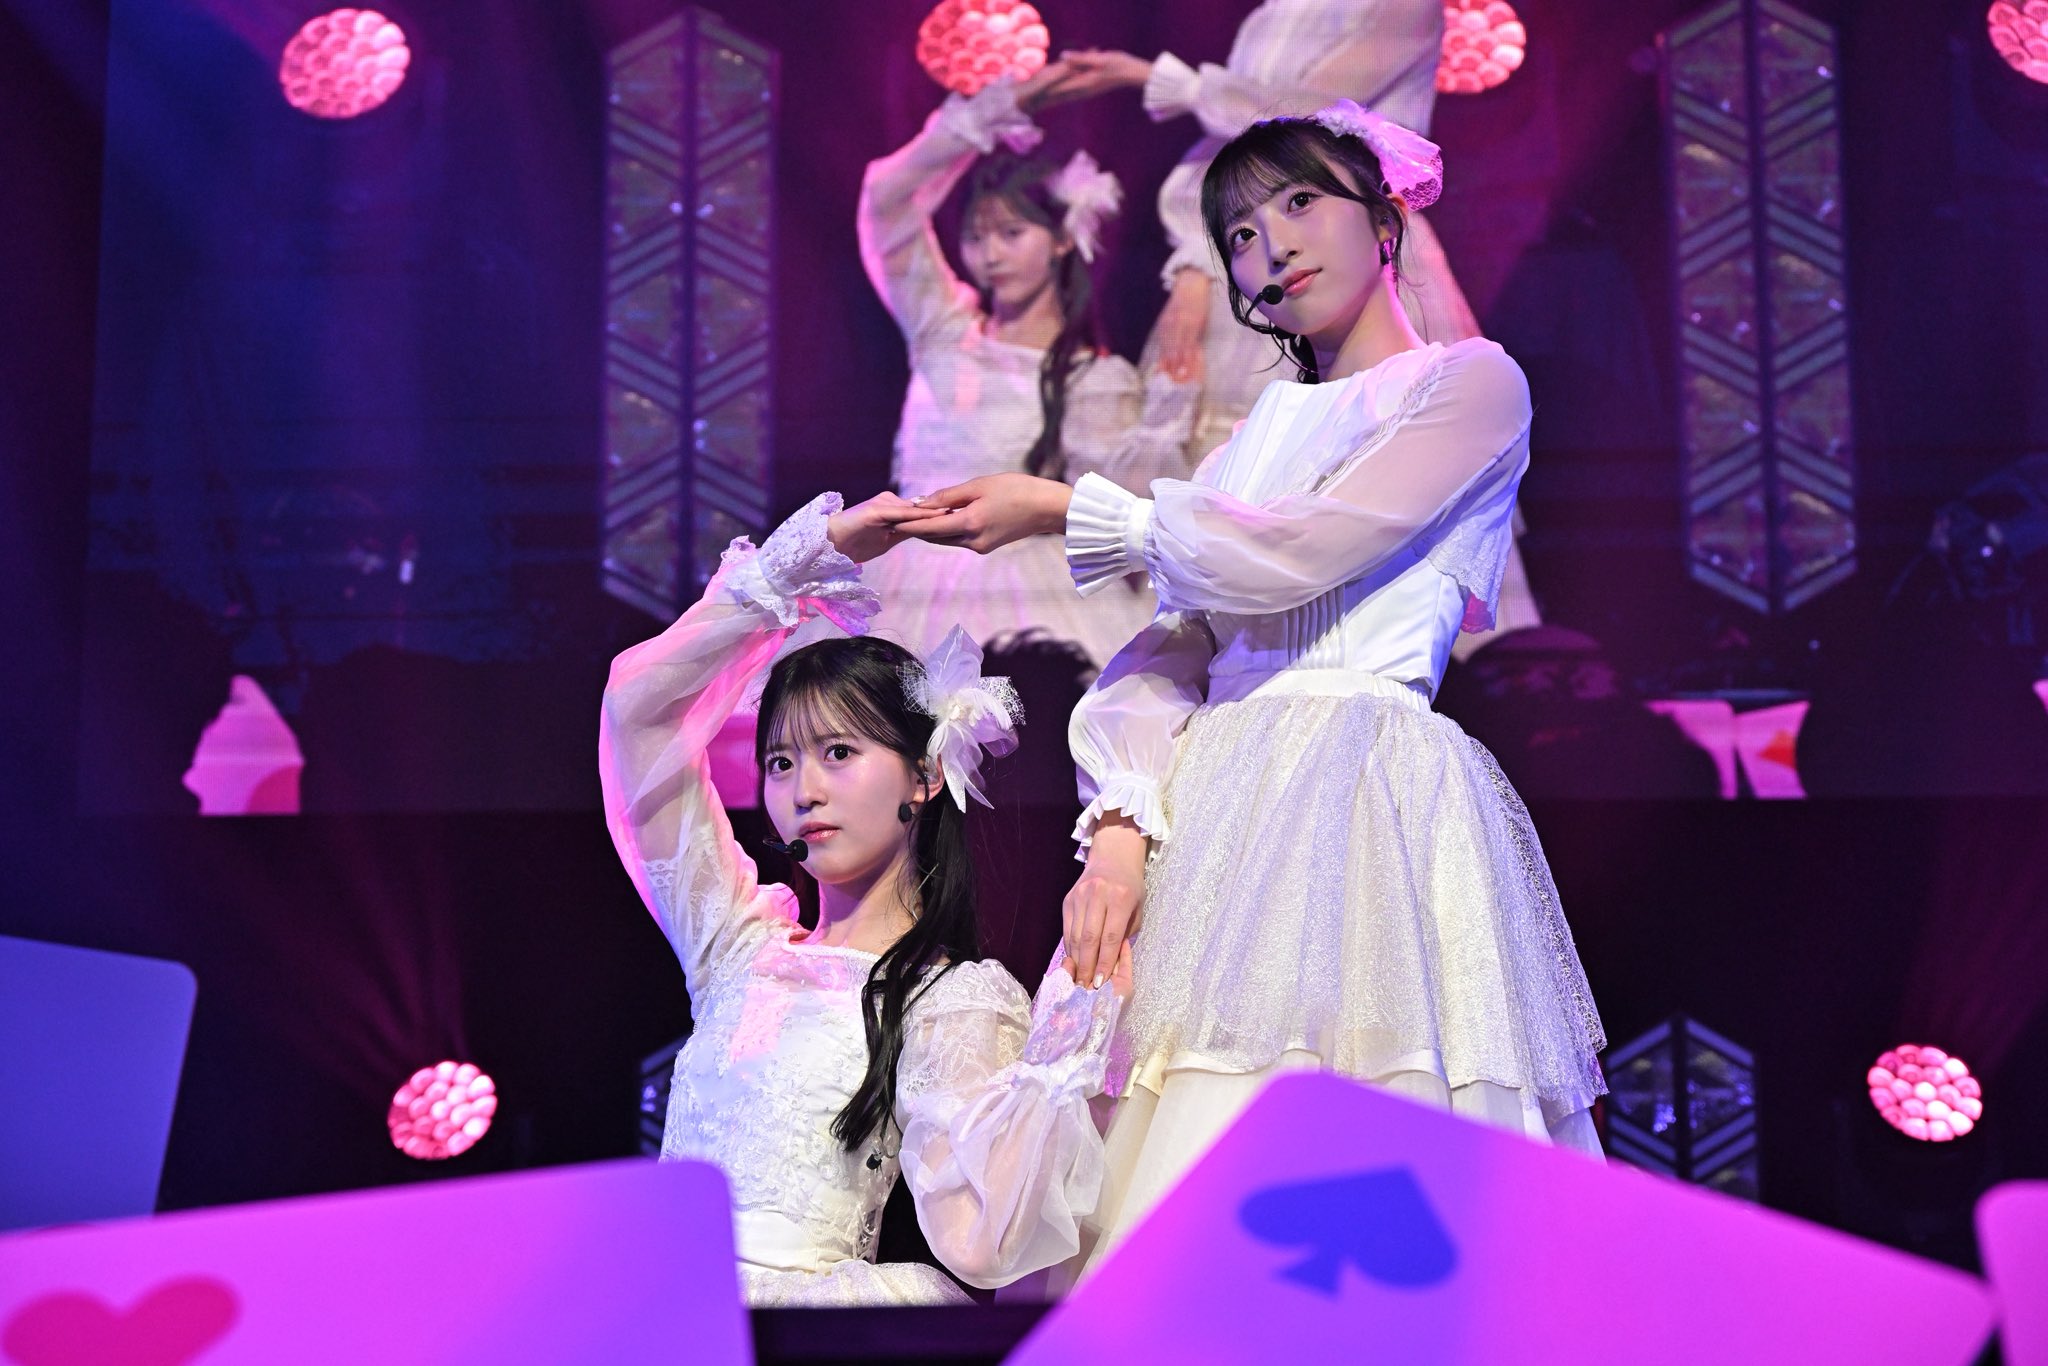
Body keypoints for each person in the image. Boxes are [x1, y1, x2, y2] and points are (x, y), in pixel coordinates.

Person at [898, 103, 1607, 1278]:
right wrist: (1117, 836)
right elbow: (1165, 655)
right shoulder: (1247, 443)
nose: (1267, 244)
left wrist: (1067, 507)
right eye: (1235, 232)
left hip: (1370, 793)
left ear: (1383, 221)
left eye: (1298, 203)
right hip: (1216, 812)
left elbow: (1293, 554)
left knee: (1377, 1124)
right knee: (1182, 1169)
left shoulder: (1469, 384)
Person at [598, 490, 1128, 1305]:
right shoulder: (735, 945)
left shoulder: (951, 998)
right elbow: (637, 715)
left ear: (924, 776)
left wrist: (1071, 1034)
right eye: (780, 763)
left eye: (838, 752)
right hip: (663, 1307)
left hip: (800, 1324)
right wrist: (804, 560)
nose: (803, 790)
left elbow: (984, 1239)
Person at [1040, 1, 1540, 646]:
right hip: (1247, 281)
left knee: (1386, 474)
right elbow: (1246, 178)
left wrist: (1160, 78)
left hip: (1350, 248)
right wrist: (1196, 264)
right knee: (1245, 471)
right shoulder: (1268, 16)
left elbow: (1303, 119)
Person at [857, 68, 1196, 669]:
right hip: (903, 579)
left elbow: (1114, 519)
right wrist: (984, 115)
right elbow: (885, 199)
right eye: (976, 237)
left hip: (1024, 589)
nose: (990, 255)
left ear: (1063, 238)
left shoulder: (1093, 379)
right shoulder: (944, 328)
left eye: (1012, 233)